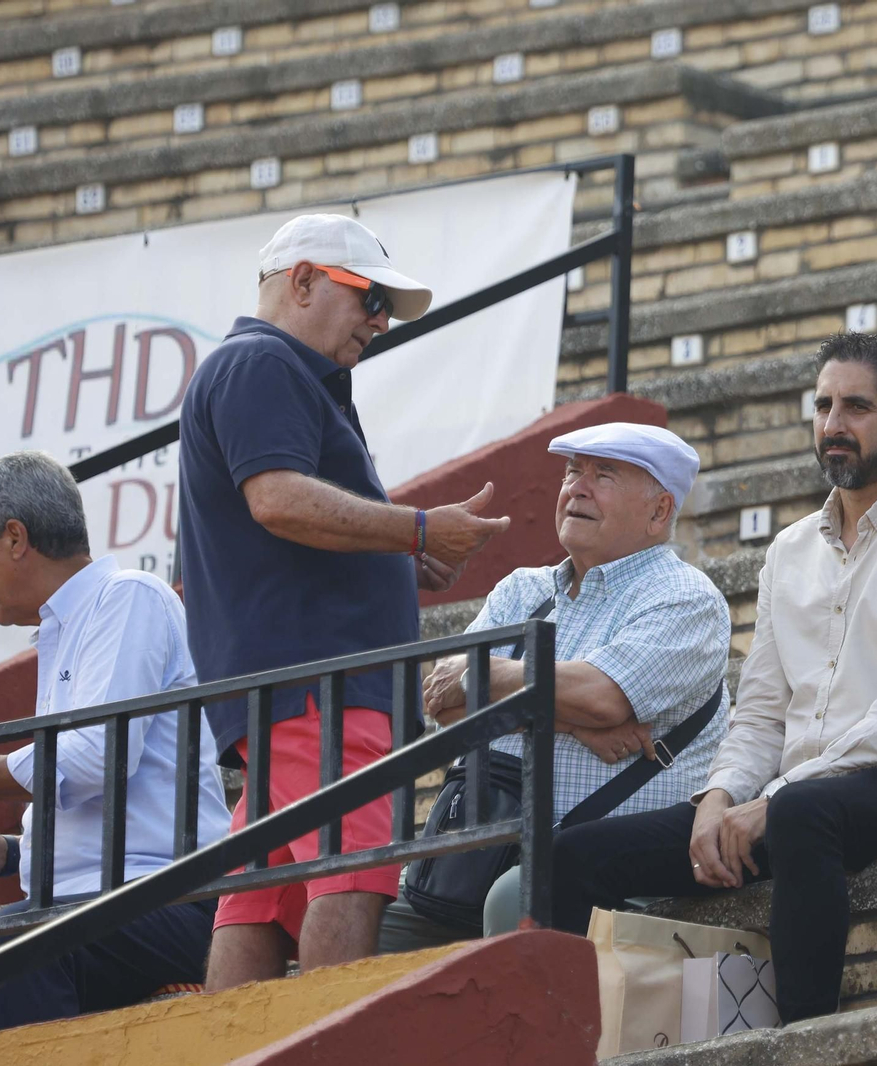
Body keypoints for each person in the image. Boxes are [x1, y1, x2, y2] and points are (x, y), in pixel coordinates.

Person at [547, 332, 877, 1023]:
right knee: (575, 855)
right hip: (790, 805)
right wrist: (717, 799)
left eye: (856, 407)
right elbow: (761, 711)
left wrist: (776, 796)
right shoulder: (790, 552)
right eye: (823, 405)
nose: (833, 426)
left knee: (801, 813)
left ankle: (801, 1038)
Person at [178, 214, 511, 990]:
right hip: (321, 689)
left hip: (292, 690)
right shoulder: (264, 364)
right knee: (355, 870)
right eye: (368, 298)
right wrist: (419, 526)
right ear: (302, 281)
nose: (380, 321)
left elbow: (290, 515)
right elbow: (280, 501)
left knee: (262, 898)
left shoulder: (266, 370)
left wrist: (404, 554)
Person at [378, 423, 732, 951]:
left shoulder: (685, 598)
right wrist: (567, 721)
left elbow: (603, 696)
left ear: (659, 512)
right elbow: (442, 698)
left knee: (515, 901)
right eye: (573, 472)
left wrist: (490, 676)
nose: (577, 488)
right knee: (356, 944)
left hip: (599, 877)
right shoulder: (523, 589)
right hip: (474, 862)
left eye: (603, 476)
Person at [0, 451, 231, 1035]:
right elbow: (102, 800)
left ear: (16, 537)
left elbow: (98, 759)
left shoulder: (129, 598)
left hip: (173, 901)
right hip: (98, 905)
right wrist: (10, 851)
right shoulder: (68, 627)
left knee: (21, 942)